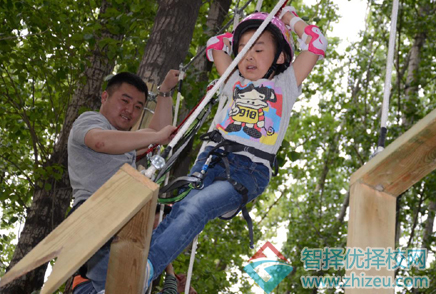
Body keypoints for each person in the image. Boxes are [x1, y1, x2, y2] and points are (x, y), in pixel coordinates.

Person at [145, 5, 327, 289]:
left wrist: (288, 19)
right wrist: (240, 32)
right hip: (209, 161)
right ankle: (140, 270)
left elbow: (316, 42)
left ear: (280, 56)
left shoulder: (286, 83)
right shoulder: (232, 80)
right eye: (243, 49)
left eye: (259, 49)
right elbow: (215, 44)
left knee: (197, 206)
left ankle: (143, 268)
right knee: (179, 212)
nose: (249, 55)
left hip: (248, 169)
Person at [68, 70, 179, 294]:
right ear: (105, 97)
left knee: (121, 286)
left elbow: (157, 133)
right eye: (125, 101)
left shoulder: (125, 142)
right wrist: (155, 137)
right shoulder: (91, 121)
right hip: (94, 212)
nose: (130, 110)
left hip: (123, 219)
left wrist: (165, 93)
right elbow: (99, 141)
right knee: (117, 286)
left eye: (138, 107)